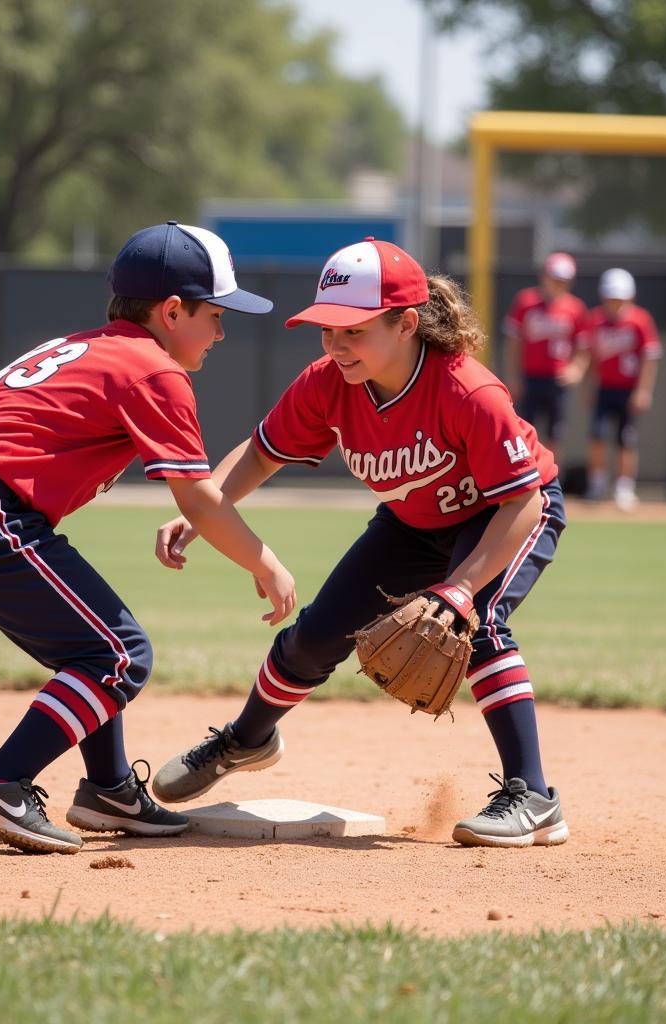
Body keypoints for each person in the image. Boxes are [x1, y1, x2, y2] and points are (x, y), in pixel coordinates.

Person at [0, 221, 297, 854]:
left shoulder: (89, 346)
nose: (220, 331)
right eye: (215, 314)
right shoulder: (153, 369)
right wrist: (266, 562)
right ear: (171, 311)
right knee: (120, 656)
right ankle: (1, 782)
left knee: (92, 646)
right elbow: (197, 495)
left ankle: (107, 789)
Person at [151, 237, 570, 849]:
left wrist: (459, 588)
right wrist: (205, 505)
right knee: (317, 636)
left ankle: (533, 797)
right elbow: (264, 453)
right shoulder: (329, 384)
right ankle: (247, 739)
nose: (336, 345)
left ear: (406, 323)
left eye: (353, 330)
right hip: (411, 522)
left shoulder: (467, 391)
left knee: (473, 622)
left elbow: (523, 499)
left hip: (506, 512)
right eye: (327, 330)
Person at [572, 268, 662, 511]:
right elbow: (590, 358)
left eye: (620, 298)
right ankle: (597, 483)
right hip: (604, 389)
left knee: (626, 441)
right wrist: (587, 387)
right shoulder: (595, 320)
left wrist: (643, 390)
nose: (615, 303)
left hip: (628, 390)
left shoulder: (641, 321)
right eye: (611, 297)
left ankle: (624, 487)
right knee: (597, 436)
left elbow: (650, 358)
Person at [502, 252, 587, 458]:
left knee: (555, 432)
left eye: (563, 280)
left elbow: (583, 346)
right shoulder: (526, 302)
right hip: (529, 377)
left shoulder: (575, 308)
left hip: (557, 380)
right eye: (555, 278)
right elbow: (513, 342)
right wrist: (513, 376)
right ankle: (527, 472)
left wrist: (577, 369)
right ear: (544, 276)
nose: (558, 284)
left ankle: (551, 476)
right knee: (522, 429)